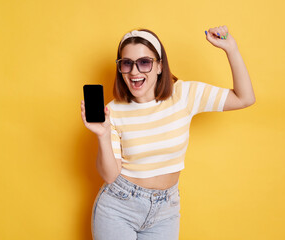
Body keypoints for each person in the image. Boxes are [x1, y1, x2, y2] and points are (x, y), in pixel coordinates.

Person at [81, 26, 255, 240]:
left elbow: (244, 98)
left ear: (160, 66)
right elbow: (110, 175)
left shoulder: (184, 95)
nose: (135, 71)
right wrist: (102, 134)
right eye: (127, 63)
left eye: (144, 62)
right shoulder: (114, 111)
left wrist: (231, 49)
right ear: (121, 69)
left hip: (166, 210)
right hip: (119, 208)